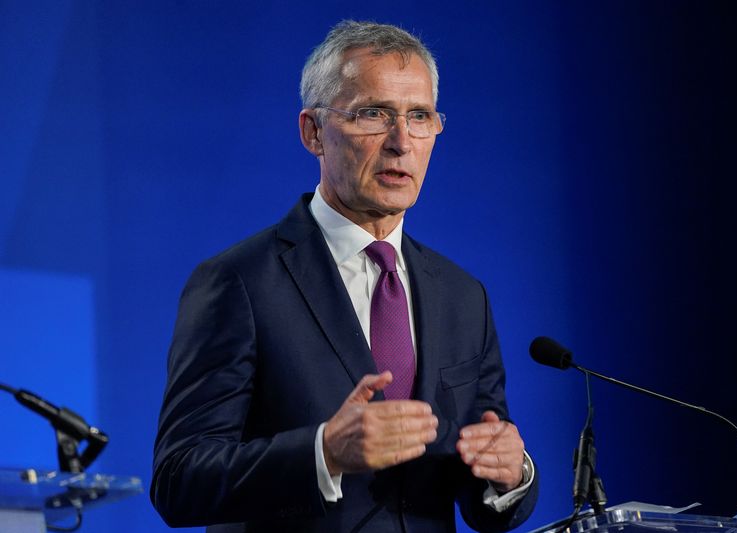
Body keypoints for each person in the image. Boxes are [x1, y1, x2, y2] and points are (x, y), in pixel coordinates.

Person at [151, 20, 538, 533]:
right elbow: (179, 481)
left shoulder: (464, 296)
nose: (401, 142)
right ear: (314, 132)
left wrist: (510, 475)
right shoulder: (238, 282)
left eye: (419, 116)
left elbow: (478, 486)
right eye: (374, 114)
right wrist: (323, 452)